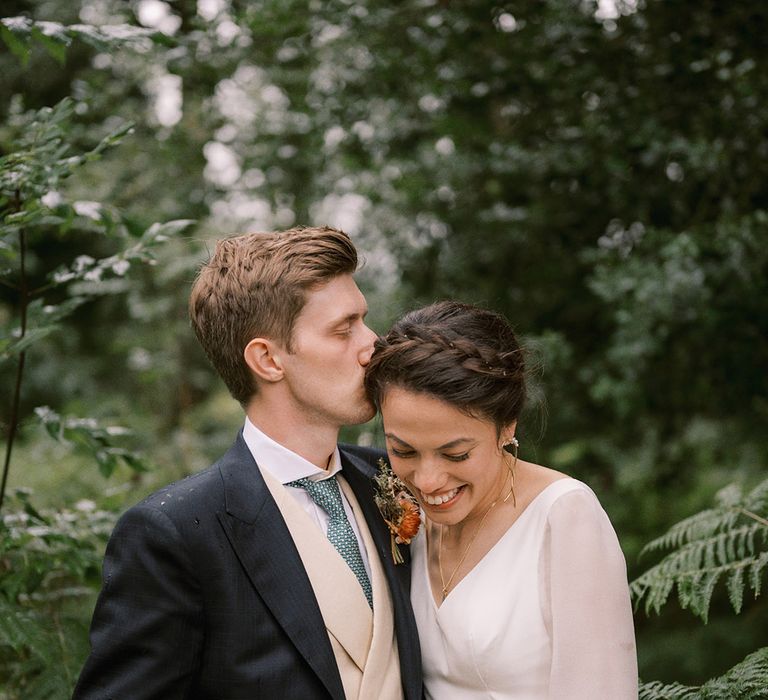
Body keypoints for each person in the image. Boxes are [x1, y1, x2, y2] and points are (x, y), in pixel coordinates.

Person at [73, 226, 422, 700]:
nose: (372, 344)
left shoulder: (395, 478)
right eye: (344, 330)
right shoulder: (174, 533)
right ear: (268, 360)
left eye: (364, 321)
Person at [364, 300, 638, 699]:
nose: (426, 480)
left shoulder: (564, 516)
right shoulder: (405, 513)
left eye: (456, 454)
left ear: (506, 425)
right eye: (403, 451)